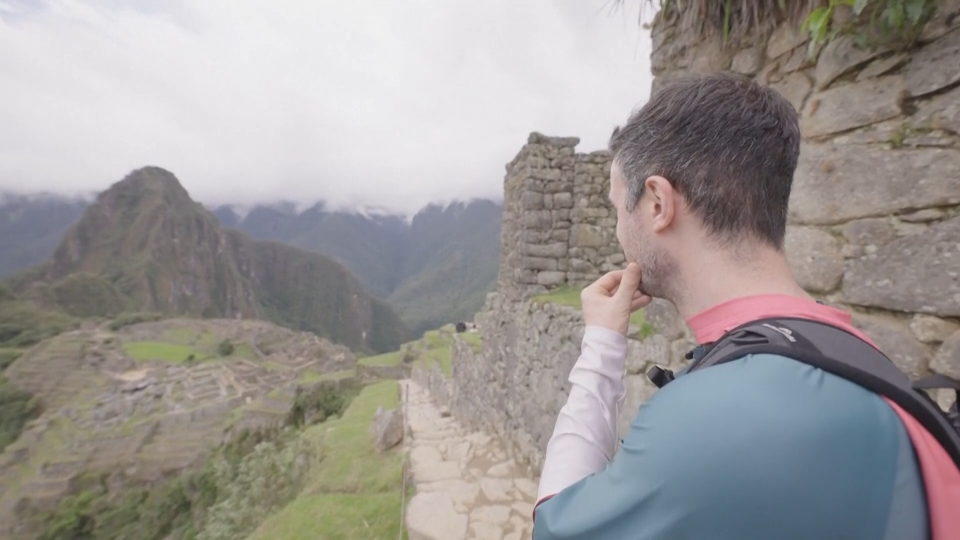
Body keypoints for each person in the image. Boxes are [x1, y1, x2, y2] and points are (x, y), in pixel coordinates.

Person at [532, 73, 960, 539]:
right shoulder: (853, 352)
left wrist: (600, 346)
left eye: (619, 208)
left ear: (658, 203)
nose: (618, 230)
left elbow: (555, 527)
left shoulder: (712, 420)